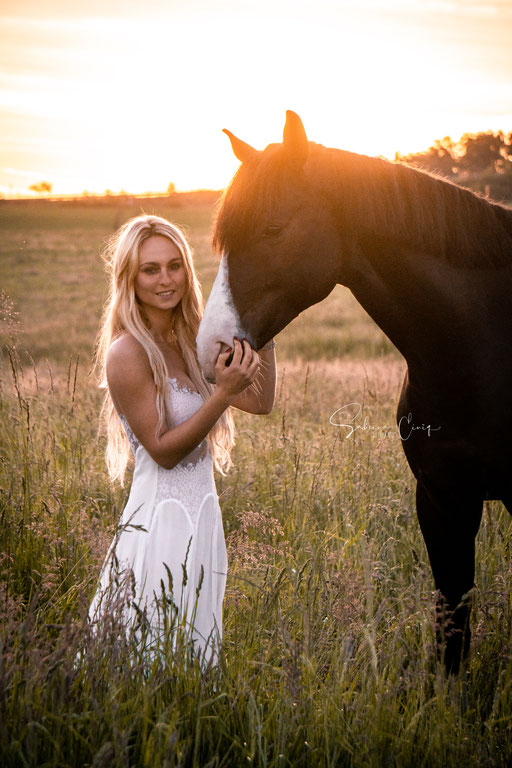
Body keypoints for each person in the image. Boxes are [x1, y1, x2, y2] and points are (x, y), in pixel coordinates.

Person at [88, 214, 276, 666]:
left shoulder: (191, 343)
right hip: (159, 520)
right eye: (151, 269)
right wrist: (223, 394)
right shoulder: (126, 352)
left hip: (202, 516)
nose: (166, 279)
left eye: (175, 266)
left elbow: (262, 402)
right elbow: (164, 451)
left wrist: (265, 325)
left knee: (193, 657)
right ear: (130, 278)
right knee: (145, 655)